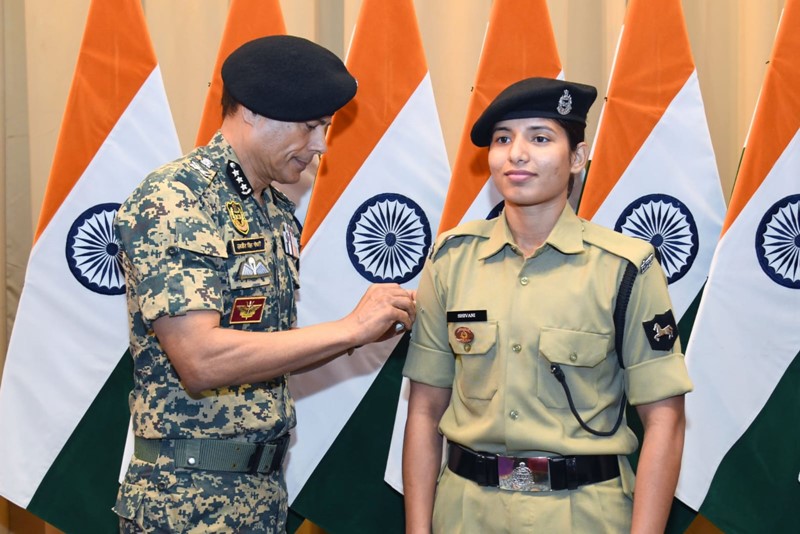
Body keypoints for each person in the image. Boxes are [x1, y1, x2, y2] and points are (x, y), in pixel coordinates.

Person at [112, 35, 415, 533]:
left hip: (261, 495)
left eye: (325, 127)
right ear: (251, 112)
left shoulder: (273, 210)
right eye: (310, 126)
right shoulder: (177, 197)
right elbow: (200, 360)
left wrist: (363, 333)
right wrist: (349, 329)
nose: (320, 146)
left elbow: (267, 350)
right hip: (186, 501)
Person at [402, 77, 692, 533]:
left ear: (577, 158)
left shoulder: (624, 267)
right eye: (503, 139)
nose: (516, 154)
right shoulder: (451, 260)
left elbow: (665, 420)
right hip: (466, 513)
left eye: (539, 138)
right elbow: (423, 410)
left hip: (582, 515)